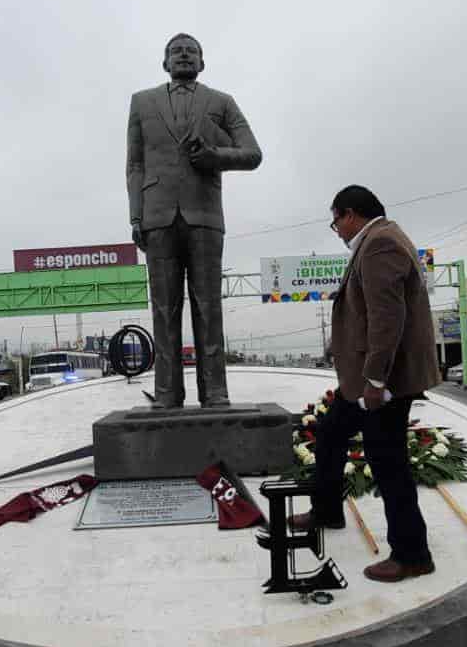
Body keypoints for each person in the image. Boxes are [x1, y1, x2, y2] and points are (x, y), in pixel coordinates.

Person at [291, 185, 440, 582]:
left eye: (335, 220)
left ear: (351, 214)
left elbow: (386, 318)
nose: (336, 228)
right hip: (361, 380)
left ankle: (412, 554)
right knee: (330, 433)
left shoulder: (380, 244)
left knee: (388, 463)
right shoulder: (379, 240)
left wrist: (375, 379)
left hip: (383, 383)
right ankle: (327, 509)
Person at [126, 32, 262, 408]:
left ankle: (215, 392)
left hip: (204, 214)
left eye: (191, 51)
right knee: (164, 308)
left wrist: (215, 156)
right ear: (165, 62)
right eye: (175, 51)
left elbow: (252, 153)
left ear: (202, 62)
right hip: (157, 216)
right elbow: (135, 164)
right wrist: (136, 214)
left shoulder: (221, 102)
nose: (183, 55)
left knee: (208, 305)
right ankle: (168, 394)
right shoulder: (141, 102)